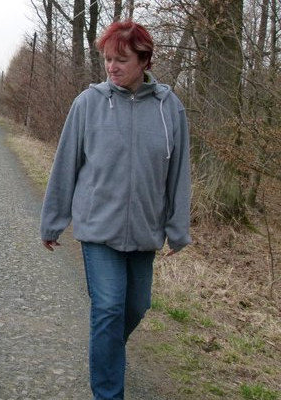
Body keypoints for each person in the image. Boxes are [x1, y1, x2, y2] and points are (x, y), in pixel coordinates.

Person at [39, 20, 191, 400]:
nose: (111, 67)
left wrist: (177, 228)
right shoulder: (88, 103)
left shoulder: (169, 107)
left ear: (144, 60)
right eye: (107, 59)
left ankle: (105, 352)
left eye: (120, 59)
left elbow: (178, 173)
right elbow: (65, 165)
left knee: (136, 307)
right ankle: (109, 392)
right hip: (98, 230)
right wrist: (52, 222)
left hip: (144, 230)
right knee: (108, 308)